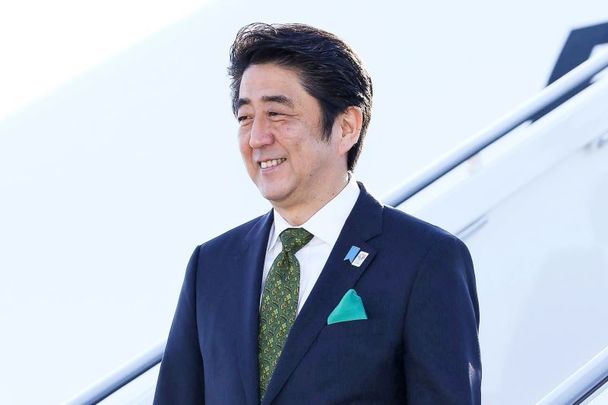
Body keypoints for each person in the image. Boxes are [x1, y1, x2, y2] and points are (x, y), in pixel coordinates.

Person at [153, 22, 481, 404]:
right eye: (245, 118)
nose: (257, 137)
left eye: (277, 113)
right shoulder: (211, 266)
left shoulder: (425, 259)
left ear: (346, 127)